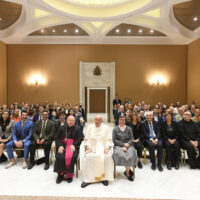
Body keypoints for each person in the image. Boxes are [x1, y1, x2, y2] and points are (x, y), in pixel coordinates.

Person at [81, 115, 114, 188]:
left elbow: (109, 139)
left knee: (107, 157)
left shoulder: (106, 128)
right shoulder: (89, 127)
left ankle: (104, 178)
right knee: (89, 157)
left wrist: (107, 148)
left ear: (102, 121)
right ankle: (88, 179)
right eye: (96, 119)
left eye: (99, 120)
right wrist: (88, 147)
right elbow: (87, 139)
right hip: (92, 147)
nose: (97, 121)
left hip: (103, 147)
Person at [54, 115, 84, 184]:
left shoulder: (78, 128)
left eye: (72, 120)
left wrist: (74, 145)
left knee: (71, 156)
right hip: (63, 146)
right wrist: (60, 146)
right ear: (67, 121)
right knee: (60, 156)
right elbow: (56, 138)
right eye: (69, 120)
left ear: (74, 121)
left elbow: (80, 139)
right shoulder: (61, 128)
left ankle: (69, 175)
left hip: (73, 146)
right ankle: (60, 175)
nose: (71, 122)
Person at [112, 115, 137, 181]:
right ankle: (128, 173)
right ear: (118, 121)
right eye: (120, 120)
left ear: (125, 121)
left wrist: (127, 144)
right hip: (118, 146)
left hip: (129, 145)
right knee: (121, 155)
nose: (122, 121)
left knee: (130, 155)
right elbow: (114, 140)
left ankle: (127, 172)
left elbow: (132, 139)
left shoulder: (129, 129)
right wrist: (123, 145)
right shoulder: (115, 129)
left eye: (123, 120)